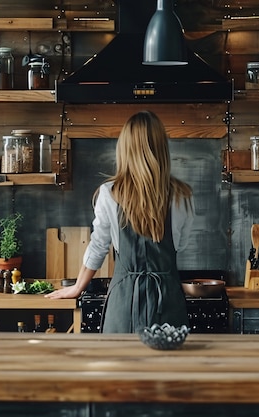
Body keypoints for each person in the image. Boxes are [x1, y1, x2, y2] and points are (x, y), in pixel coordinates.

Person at [46, 110, 195, 333]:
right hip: (167, 299)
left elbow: (98, 247)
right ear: (162, 148)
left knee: (118, 365)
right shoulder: (182, 195)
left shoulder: (109, 193)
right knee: (166, 366)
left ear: (125, 149)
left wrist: (78, 287)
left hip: (124, 302)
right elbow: (180, 244)